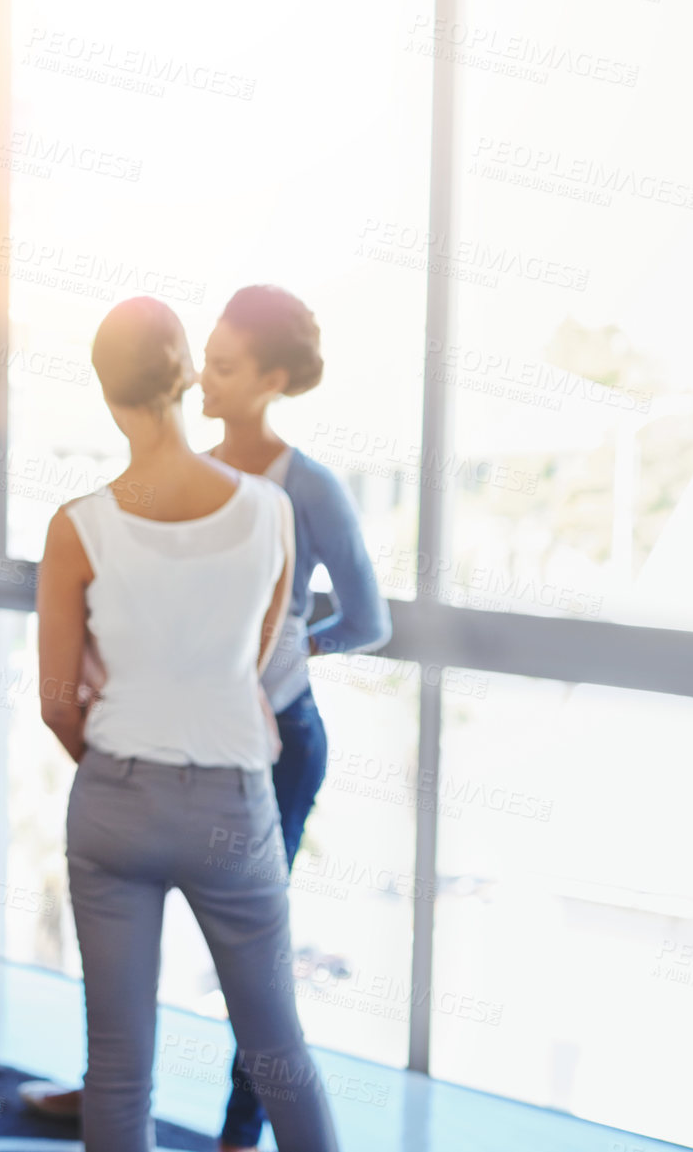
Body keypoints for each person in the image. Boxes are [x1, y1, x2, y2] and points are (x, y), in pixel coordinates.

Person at [34, 297, 340, 1150]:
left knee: (119, 1064)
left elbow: (58, 699)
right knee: (279, 1049)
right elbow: (251, 662)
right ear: (188, 373)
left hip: (113, 802)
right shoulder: (268, 510)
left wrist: (112, 764)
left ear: (105, 390)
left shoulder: (78, 526)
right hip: (231, 806)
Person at [201, 284, 391, 1152]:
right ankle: (109, 1094)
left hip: (282, 746)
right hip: (196, 740)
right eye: (204, 355)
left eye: (226, 364)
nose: (202, 376)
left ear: (273, 376)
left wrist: (288, 646)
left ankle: (241, 1133)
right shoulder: (189, 469)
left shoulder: (308, 485)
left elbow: (368, 619)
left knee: (254, 960)